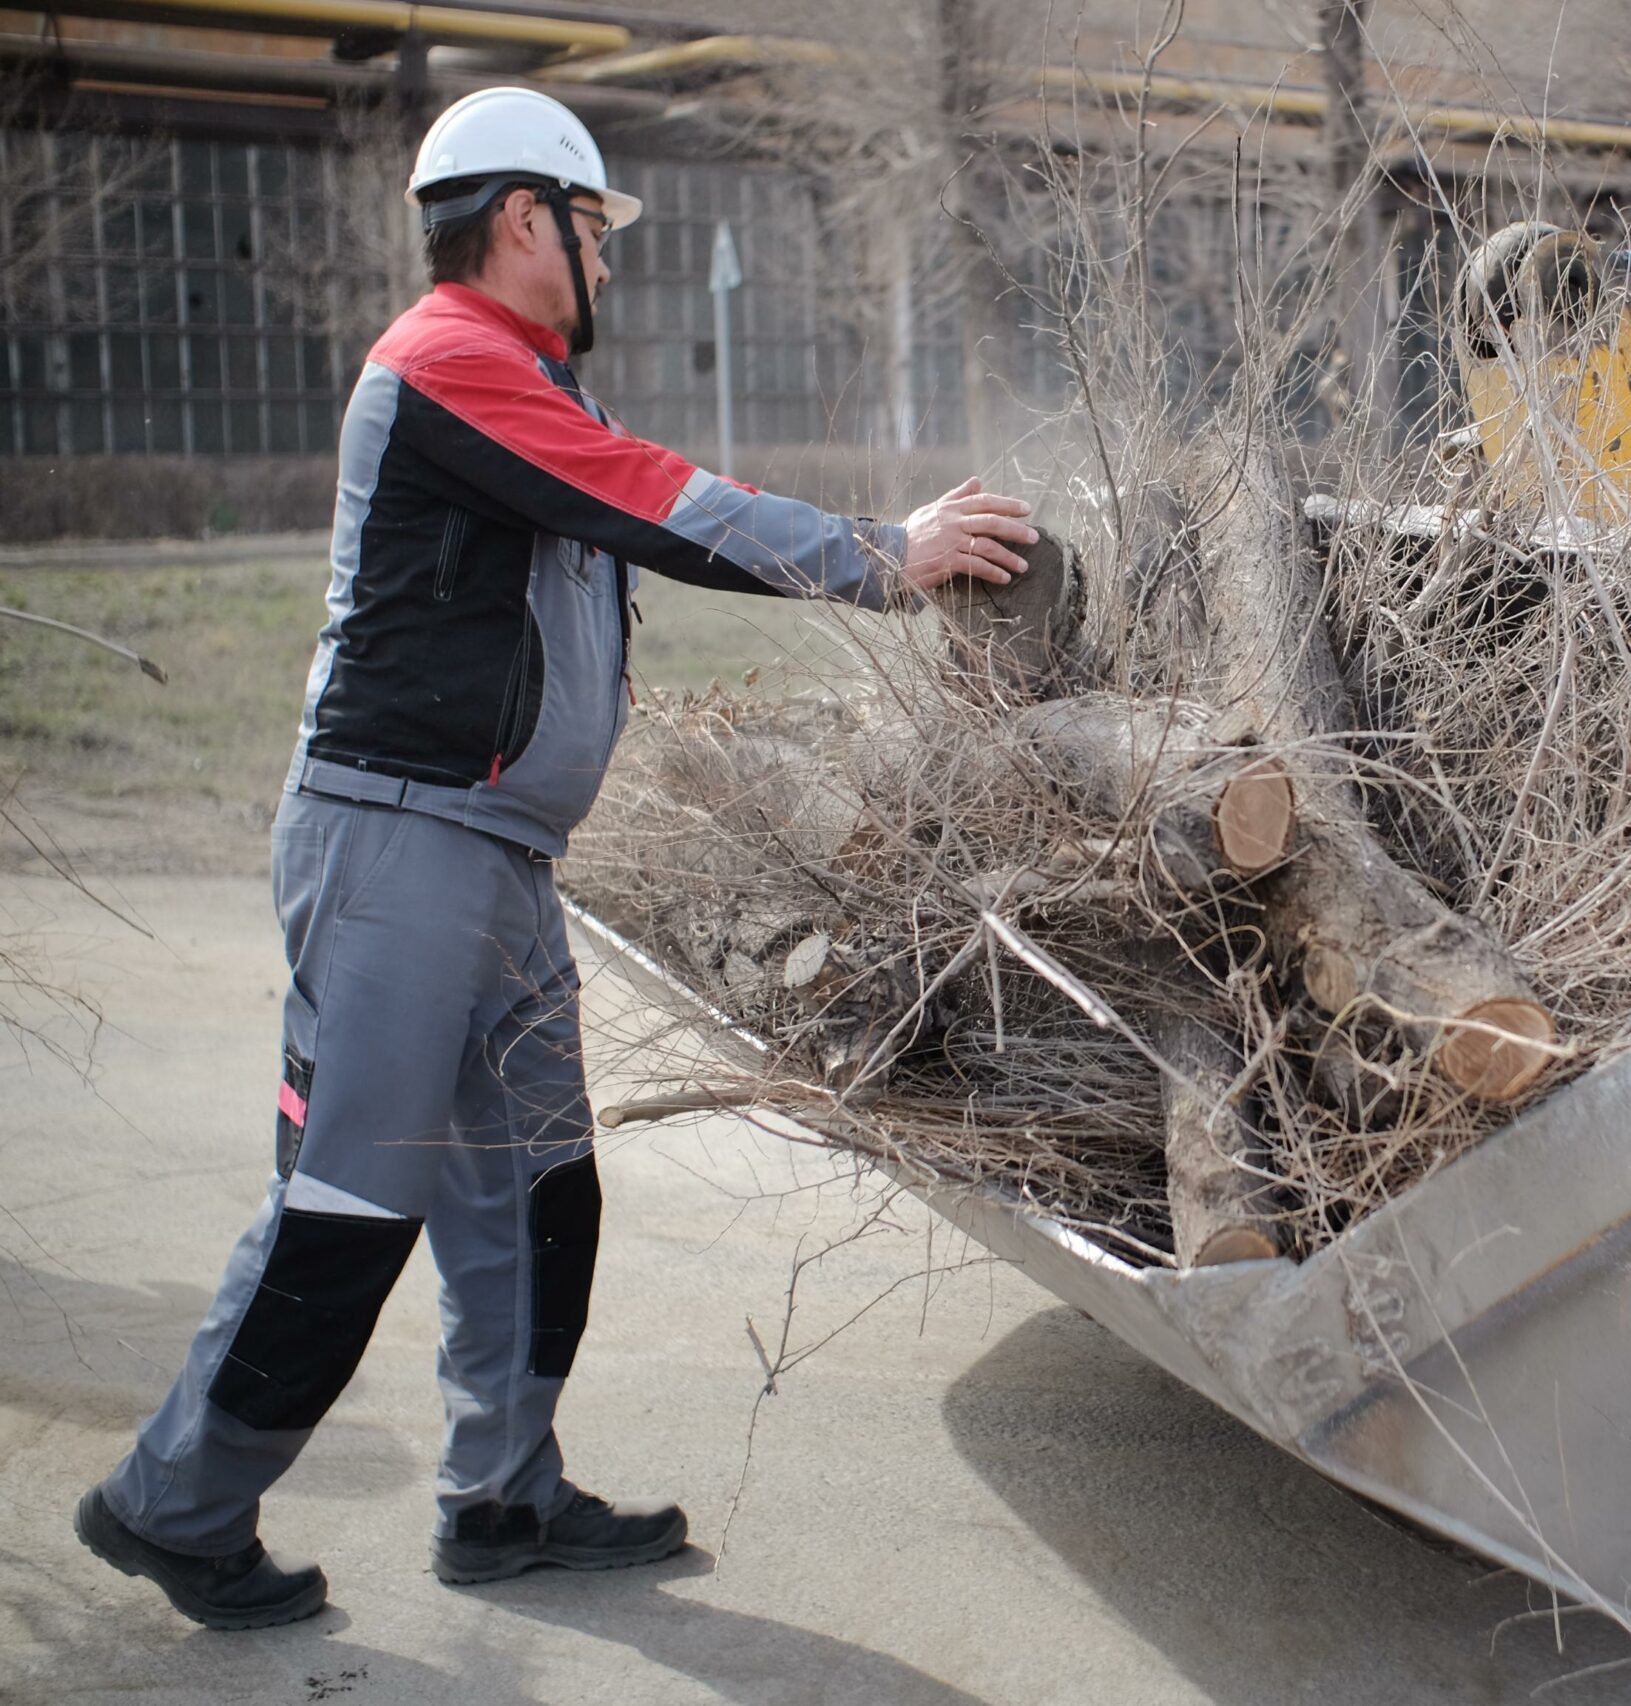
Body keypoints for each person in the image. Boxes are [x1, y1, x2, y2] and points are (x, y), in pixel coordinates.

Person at [73, 86, 1039, 1630]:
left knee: (541, 1187)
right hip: (398, 839)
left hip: (499, 859)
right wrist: (882, 553)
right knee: (347, 1205)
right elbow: (670, 506)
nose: (610, 261)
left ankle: (504, 1493)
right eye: (595, 229)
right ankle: (174, 1503)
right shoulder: (447, 356)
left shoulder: (526, 383)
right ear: (525, 220)